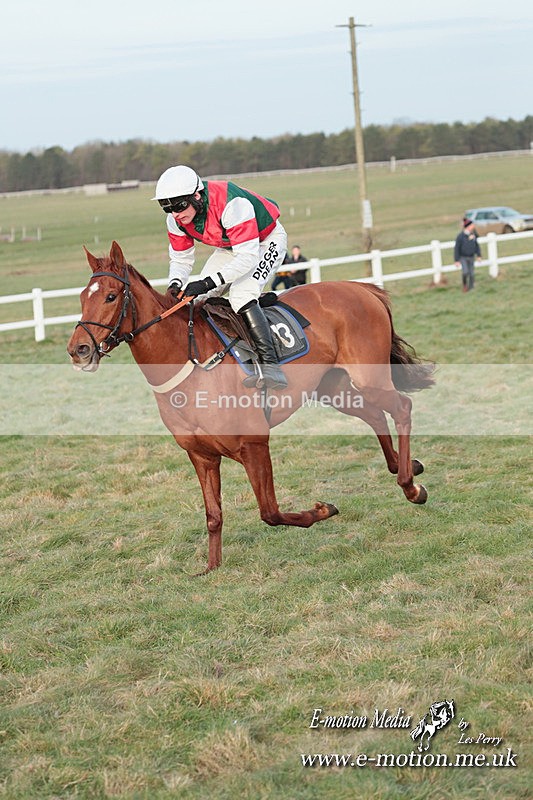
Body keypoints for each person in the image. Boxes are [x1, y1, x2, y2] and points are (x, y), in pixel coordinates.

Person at [153, 165, 288, 389]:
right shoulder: (175, 221)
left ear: (197, 196)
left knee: (241, 295)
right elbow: (181, 259)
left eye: (179, 205)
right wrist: (175, 284)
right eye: (167, 208)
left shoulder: (231, 204)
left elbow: (247, 258)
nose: (176, 214)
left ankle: (271, 367)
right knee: (194, 301)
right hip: (230, 248)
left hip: (264, 242)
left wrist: (207, 282)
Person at [454, 219, 481, 292]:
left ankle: (471, 287)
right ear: (468, 226)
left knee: (472, 273)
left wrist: (478, 255)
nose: (473, 226)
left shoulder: (473, 235)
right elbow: (457, 248)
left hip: (471, 257)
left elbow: (476, 245)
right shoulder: (460, 236)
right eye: (472, 225)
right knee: (465, 272)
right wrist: (456, 260)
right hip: (463, 257)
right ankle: (465, 285)